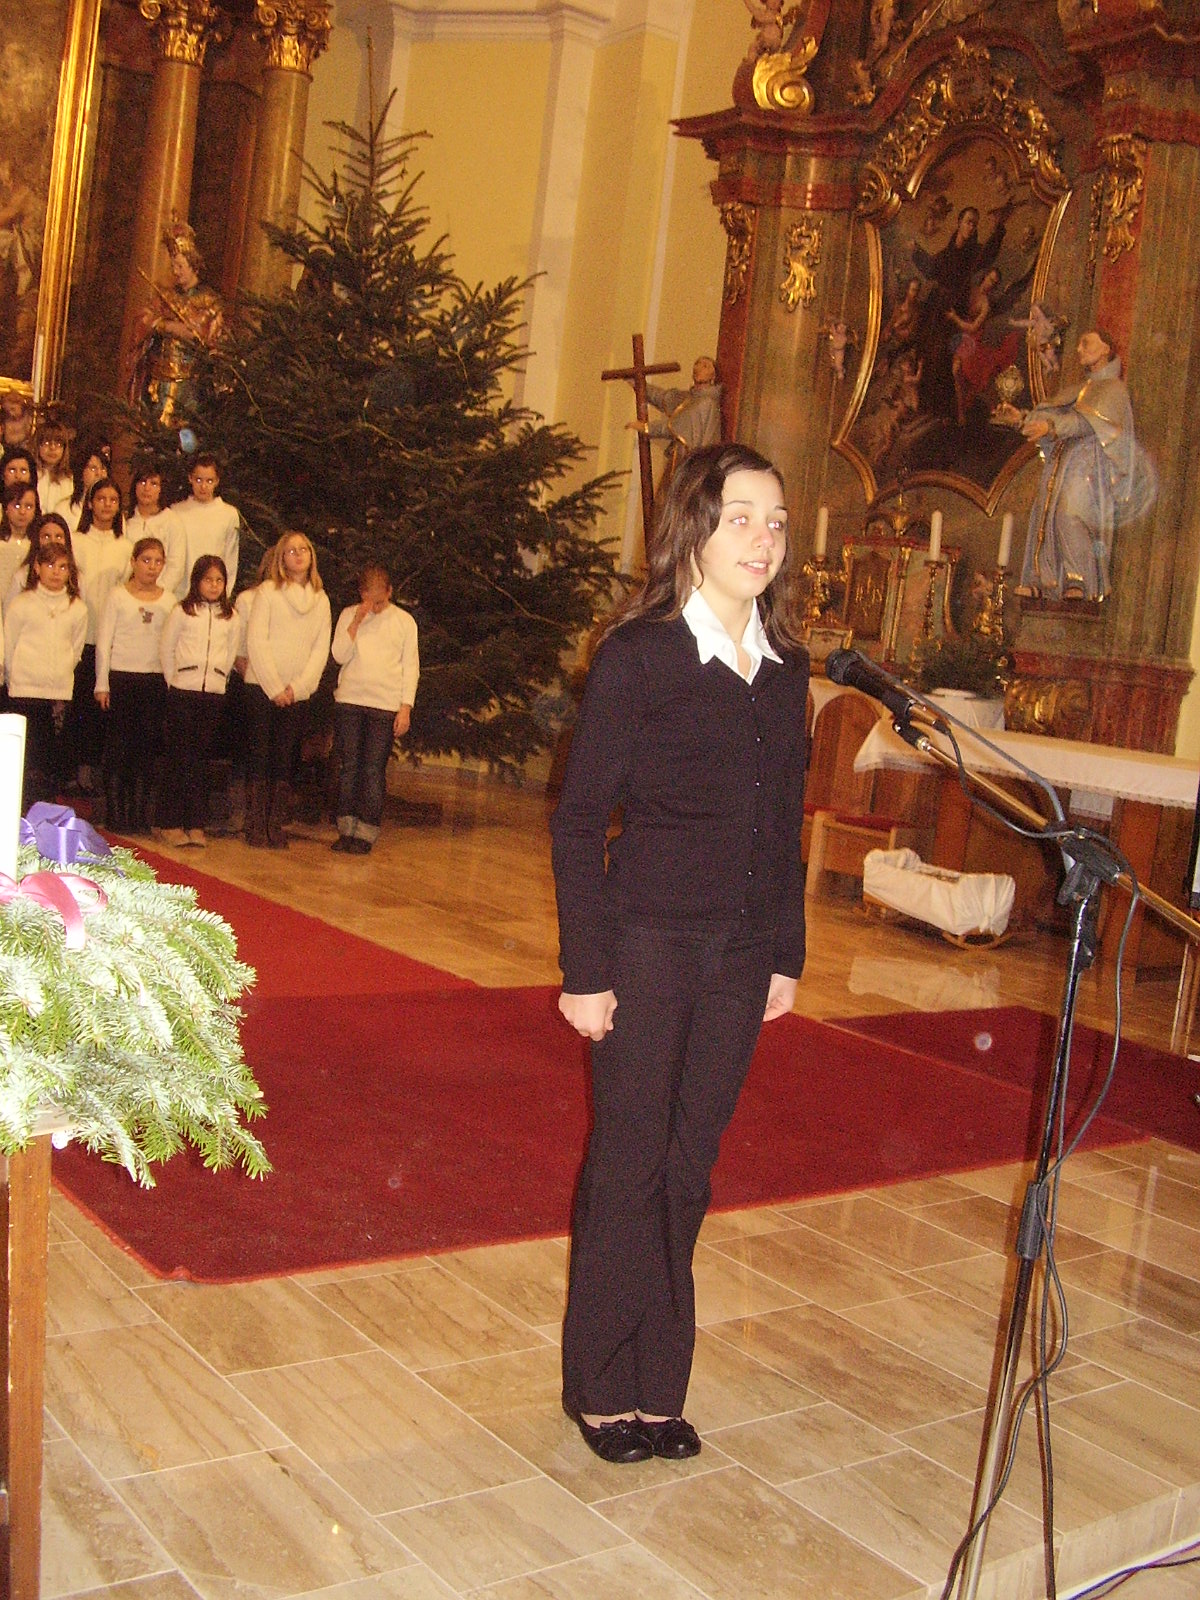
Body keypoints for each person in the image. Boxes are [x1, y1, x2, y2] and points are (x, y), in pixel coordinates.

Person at [550, 441, 809, 1465]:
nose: (762, 539)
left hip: (740, 955)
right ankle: (601, 1385)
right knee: (629, 1162)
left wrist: (785, 950)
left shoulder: (787, 670)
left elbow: (783, 825)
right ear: (694, 530)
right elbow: (580, 821)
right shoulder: (641, 655)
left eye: (775, 521)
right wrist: (586, 971)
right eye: (741, 517)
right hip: (647, 943)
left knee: (689, 1167)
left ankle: (660, 1383)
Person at [1002, 329, 1137, 602]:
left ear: (1105, 350)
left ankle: (1080, 580)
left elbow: (1084, 423)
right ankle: (1044, 581)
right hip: (1063, 461)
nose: (1078, 349)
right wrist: (1022, 420)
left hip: (1089, 465)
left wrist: (1050, 426)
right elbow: (1053, 418)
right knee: (1044, 514)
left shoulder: (1113, 390)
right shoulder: (1081, 389)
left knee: (1068, 515)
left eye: (1086, 343)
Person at [244, 530, 331, 849]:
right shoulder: (268, 592)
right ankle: (255, 824)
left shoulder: (320, 599)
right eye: (291, 550)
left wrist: (298, 688)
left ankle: (275, 823)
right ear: (281, 558)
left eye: (303, 549)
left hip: (297, 692)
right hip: (262, 688)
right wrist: (274, 687)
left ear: (311, 556)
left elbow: (320, 649)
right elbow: (257, 640)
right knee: (260, 755)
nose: (298, 555)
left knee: (284, 757)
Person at [330, 563, 419, 854]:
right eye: (370, 601)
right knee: (349, 767)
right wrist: (356, 622)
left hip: (384, 705)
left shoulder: (404, 622)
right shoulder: (349, 615)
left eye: (380, 601)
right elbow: (339, 655)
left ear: (390, 592)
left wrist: (405, 707)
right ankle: (346, 828)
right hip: (350, 701)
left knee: (372, 770)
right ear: (361, 594)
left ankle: (366, 832)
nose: (376, 608)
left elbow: (411, 667)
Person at [94, 536, 174, 832]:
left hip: (153, 680)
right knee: (119, 747)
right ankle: (116, 812)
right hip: (122, 677)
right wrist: (102, 683)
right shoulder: (118, 596)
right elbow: (104, 642)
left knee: (146, 748)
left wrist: (171, 681)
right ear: (133, 562)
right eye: (146, 560)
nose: (152, 567)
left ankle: (139, 813)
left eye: (158, 561)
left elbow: (171, 645)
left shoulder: (169, 601)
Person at [157, 555, 238, 847]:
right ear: (197, 581)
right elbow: (167, 648)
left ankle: (195, 823)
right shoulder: (182, 611)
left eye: (219, 580)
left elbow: (230, 653)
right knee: (179, 758)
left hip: (213, 694)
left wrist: (219, 680)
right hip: (183, 691)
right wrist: (175, 681)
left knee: (200, 761)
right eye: (208, 579)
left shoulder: (231, 616)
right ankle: (169, 822)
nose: (214, 585)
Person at [5, 541, 87, 807]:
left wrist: (60, 673)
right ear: (37, 568)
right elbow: (9, 645)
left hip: (57, 694)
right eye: (50, 565)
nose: (56, 572)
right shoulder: (21, 604)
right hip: (24, 691)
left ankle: (46, 814)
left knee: (51, 759)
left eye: (62, 566)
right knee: (26, 757)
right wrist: (14, 677)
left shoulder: (77, 608)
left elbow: (76, 649)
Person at [128, 219, 225, 428]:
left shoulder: (209, 301)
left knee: (186, 434)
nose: (176, 271)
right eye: (173, 266)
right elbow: (144, 319)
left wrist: (184, 329)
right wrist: (166, 326)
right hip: (161, 380)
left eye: (180, 266)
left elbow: (207, 335)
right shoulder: (166, 297)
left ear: (193, 265)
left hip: (190, 384)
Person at [71, 475, 133, 792]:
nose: (107, 505)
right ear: (90, 504)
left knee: (103, 707)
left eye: (113, 500)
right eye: (101, 499)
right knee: (80, 705)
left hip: (111, 639)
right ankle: (77, 770)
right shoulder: (77, 541)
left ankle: (98, 770)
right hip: (81, 634)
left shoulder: (126, 547)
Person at [633, 358, 724, 496]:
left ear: (713, 375)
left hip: (692, 466)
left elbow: (678, 425)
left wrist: (647, 427)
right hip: (680, 459)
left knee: (676, 498)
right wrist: (637, 384)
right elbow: (663, 398)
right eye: (697, 364)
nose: (699, 368)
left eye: (705, 366)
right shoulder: (690, 398)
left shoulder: (707, 402)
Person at [165, 454, 240, 599]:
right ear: (190, 478)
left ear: (217, 481)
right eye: (198, 480)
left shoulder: (228, 514)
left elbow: (230, 558)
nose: (203, 486)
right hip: (180, 593)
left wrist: (224, 594)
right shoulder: (176, 512)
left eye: (209, 481)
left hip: (214, 593)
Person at [0, 480, 37, 608]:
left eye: (29, 506)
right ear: (6, 508)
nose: (22, 512)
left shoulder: (36, 545)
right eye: (16, 506)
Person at [35, 418, 73, 514]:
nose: (52, 448)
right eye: (47, 443)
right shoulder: (33, 475)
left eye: (58, 444)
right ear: (38, 446)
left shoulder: (68, 478)